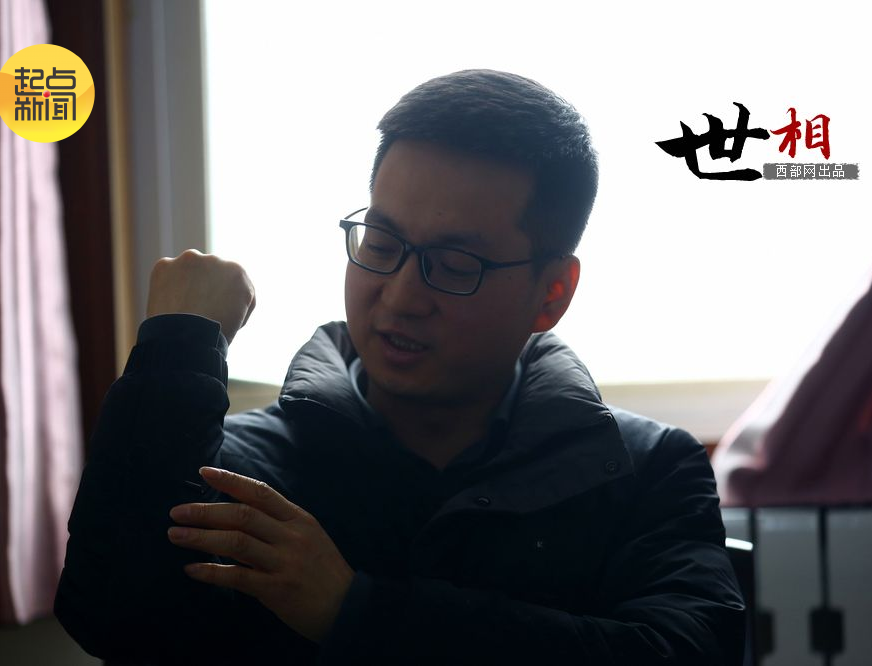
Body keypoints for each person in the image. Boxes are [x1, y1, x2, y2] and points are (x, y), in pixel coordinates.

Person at [55, 69, 745, 665]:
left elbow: (688, 652)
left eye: (455, 264)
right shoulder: (245, 468)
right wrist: (180, 345)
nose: (401, 296)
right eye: (381, 242)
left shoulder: (643, 470)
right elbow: (111, 618)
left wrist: (351, 611)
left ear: (552, 293)